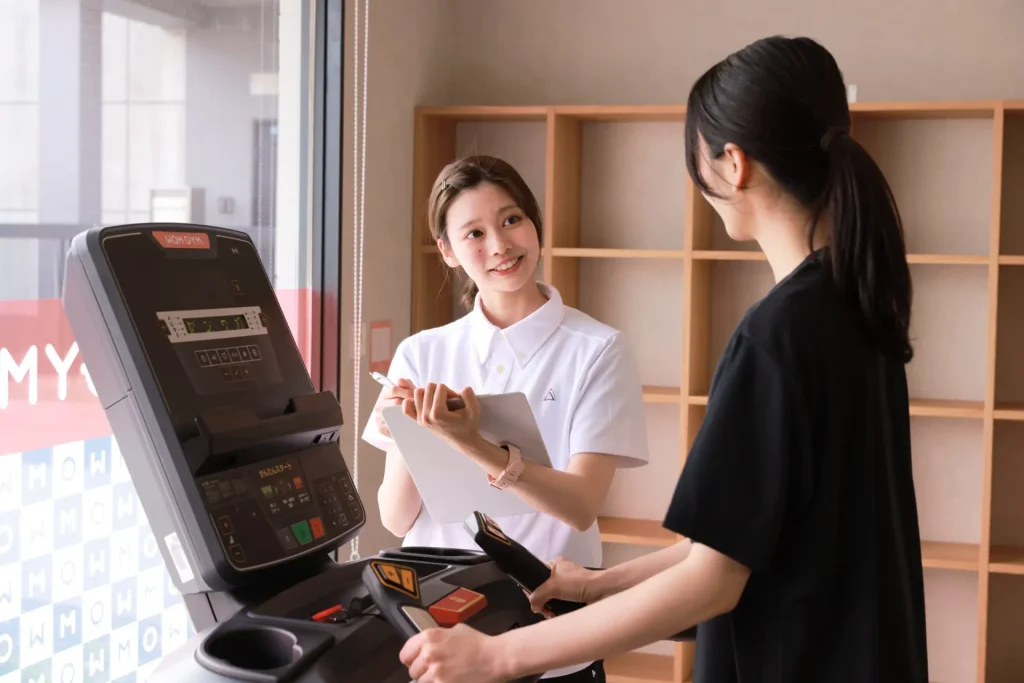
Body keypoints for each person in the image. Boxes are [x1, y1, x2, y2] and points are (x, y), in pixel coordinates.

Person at [396, 35, 929, 683]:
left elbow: (711, 580)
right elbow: (727, 543)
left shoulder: (777, 338)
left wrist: (498, 654)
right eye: (472, 232)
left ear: (733, 163)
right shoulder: (854, 309)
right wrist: (597, 584)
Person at [360, 154, 650, 681]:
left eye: (512, 220)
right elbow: (396, 519)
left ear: (535, 224)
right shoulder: (421, 354)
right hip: (439, 636)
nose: (500, 246)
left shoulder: (598, 350)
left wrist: (473, 443)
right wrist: (409, 433)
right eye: (474, 233)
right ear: (448, 251)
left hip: (552, 635)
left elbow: (581, 506)